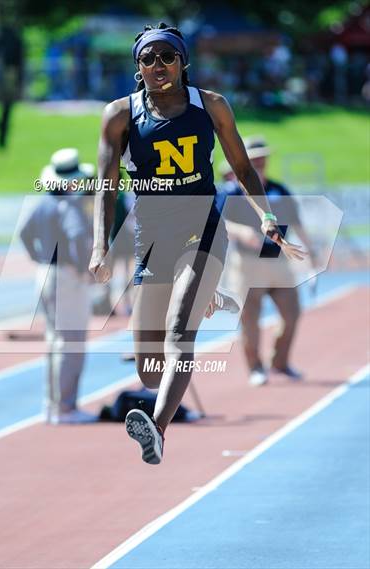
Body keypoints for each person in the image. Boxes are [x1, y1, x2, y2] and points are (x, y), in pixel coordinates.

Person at [89, 23, 305, 464]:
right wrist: (99, 246)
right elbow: (105, 187)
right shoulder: (119, 115)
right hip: (150, 237)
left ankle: (158, 428)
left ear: (183, 61)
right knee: (150, 368)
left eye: (167, 56)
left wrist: (265, 214)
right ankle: (169, 369)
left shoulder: (211, 106)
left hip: (200, 230)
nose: (158, 65)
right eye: (147, 59)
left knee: (180, 330)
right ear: (138, 68)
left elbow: (243, 168)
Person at [219, 135, 316, 386]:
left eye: (263, 157)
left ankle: (280, 361)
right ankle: (255, 367)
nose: (261, 162)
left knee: (292, 314)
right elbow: (217, 222)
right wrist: (241, 231)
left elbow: (296, 221)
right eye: (255, 158)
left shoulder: (279, 189)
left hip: (278, 261)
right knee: (250, 320)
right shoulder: (231, 192)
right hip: (247, 264)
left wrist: (310, 248)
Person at [20, 148, 97, 424]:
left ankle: (52, 405)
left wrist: (36, 257)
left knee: (54, 341)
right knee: (71, 342)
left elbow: (23, 232)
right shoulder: (69, 204)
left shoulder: (42, 203)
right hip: (65, 275)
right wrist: (82, 269)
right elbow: (77, 237)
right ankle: (66, 407)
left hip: (44, 272)